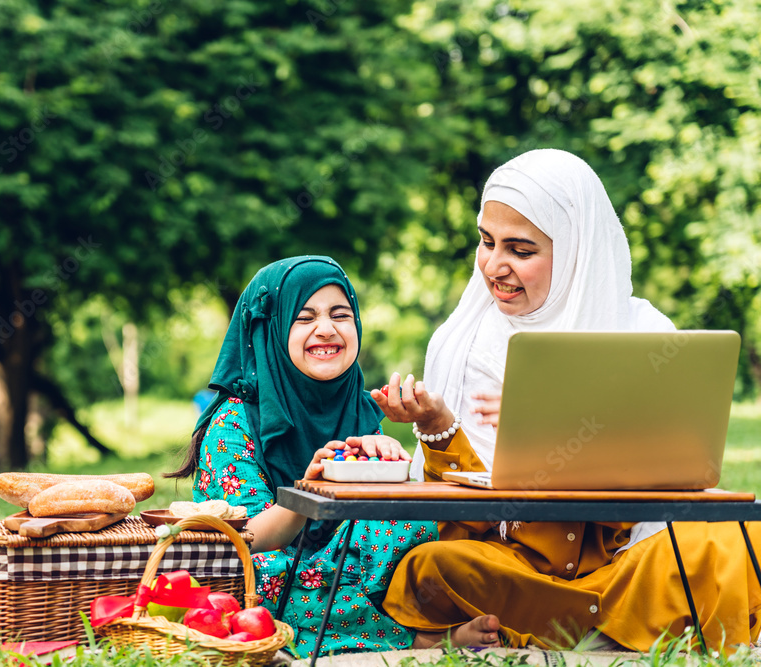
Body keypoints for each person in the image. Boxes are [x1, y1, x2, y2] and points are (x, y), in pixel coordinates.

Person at [373, 149, 761, 652]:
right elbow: (463, 523)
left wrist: (560, 420)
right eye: (487, 242)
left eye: (521, 250)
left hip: (628, 563)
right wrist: (440, 429)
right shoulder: (461, 342)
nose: (495, 265)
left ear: (578, 250)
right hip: (517, 566)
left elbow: (678, 473)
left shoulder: (644, 333)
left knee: (728, 539)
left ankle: (556, 628)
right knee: (431, 566)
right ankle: (618, 630)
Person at [167, 256, 438, 656]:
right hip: (276, 570)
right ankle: (409, 636)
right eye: (304, 317)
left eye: (340, 314)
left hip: (345, 567)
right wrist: (309, 492)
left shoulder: (360, 409)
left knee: (425, 525)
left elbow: (379, 525)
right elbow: (248, 540)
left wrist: (390, 472)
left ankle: (376, 621)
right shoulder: (234, 423)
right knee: (255, 580)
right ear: (272, 331)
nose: (326, 329)